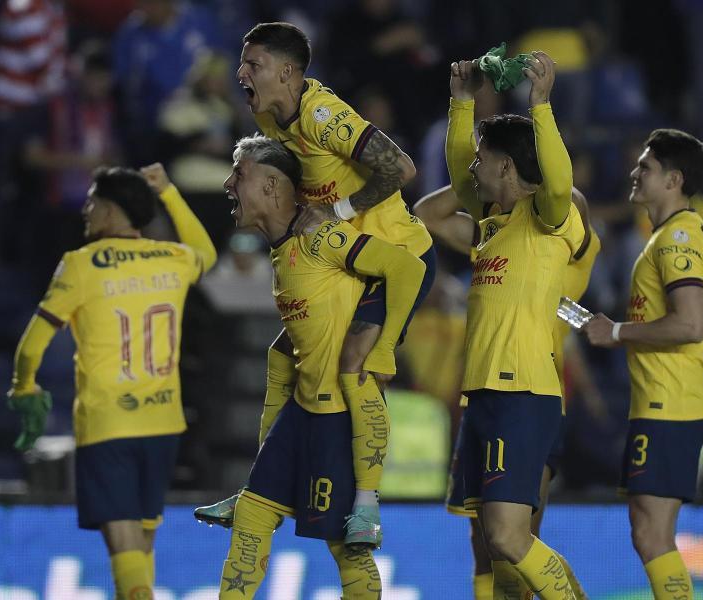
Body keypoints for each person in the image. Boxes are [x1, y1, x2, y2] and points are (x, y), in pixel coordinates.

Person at [195, 21, 436, 548]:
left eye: (252, 64)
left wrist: (336, 211)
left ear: (287, 71)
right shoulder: (265, 115)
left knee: (355, 366)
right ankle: (259, 489)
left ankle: (368, 507)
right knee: (283, 356)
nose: (242, 72)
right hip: (344, 262)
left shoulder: (323, 116)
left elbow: (402, 168)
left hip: (394, 256)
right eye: (242, 62)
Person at [217, 133, 424, 599]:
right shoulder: (283, 246)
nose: (229, 183)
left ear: (272, 185)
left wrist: (385, 347)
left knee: (347, 552)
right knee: (251, 515)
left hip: (337, 419)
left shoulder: (320, 236)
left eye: (240, 174)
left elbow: (409, 269)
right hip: (301, 411)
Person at [8, 164, 215, 597]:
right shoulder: (173, 258)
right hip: (164, 424)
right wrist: (170, 193)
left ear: (111, 208)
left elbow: (32, 344)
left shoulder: (82, 265)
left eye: (92, 200)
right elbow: (207, 254)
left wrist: (24, 386)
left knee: (123, 548)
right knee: (141, 547)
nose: (85, 209)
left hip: (109, 425)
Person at [415, 182, 599, 599]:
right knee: (484, 545)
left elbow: (575, 200)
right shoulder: (499, 236)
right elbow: (426, 214)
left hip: (531, 397)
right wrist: (478, 179)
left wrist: (527, 175)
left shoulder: (562, 242)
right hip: (482, 397)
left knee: (515, 539)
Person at [444, 52, 584, 599]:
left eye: (484, 158)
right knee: (495, 550)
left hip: (522, 391)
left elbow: (557, 179)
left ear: (507, 166)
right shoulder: (492, 224)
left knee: (508, 536)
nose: (474, 166)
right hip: (483, 395)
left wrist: (541, 107)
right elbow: (459, 174)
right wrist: (461, 103)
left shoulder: (550, 218)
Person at [582, 128, 703, 600]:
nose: (635, 172)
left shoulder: (677, 237)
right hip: (665, 401)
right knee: (649, 531)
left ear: (673, 179)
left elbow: (689, 324)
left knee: (651, 533)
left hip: (670, 402)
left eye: (646, 167)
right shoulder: (668, 234)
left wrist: (616, 332)